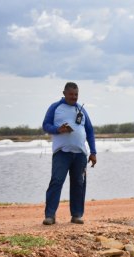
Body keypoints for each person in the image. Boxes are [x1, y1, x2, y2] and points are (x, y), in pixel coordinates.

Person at [42, 82, 97, 225]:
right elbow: (45, 125)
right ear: (64, 93)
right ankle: (50, 215)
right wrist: (57, 130)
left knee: (79, 183)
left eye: (76, 94)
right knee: (56, 181)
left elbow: (90, 131)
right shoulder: (55, 107)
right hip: (62, 153)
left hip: (80, 154)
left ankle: (77, 215)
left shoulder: (81, 110)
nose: (74, 97)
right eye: (71, 94)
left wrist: (93, 152)